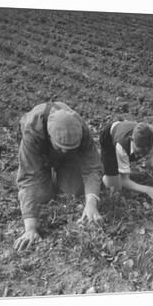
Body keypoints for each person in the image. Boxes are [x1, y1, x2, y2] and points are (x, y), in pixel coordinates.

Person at [14, 102, 103, 251]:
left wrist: (91, 204)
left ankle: (59, 171)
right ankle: (46, 172)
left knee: (75, 190)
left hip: (67, 156)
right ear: (49, 136)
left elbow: (92, 167)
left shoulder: (80, 129)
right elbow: (28, 177)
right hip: (39, 153)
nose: (64, 151)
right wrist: (30, 229)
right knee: (42, 196)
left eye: (69, 148)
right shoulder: (33, 130)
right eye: (60, 147)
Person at [100, 120, 153, 203]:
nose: (141, 156)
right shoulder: (121, 145)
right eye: (139, 152)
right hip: (108, 139)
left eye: (145, 153)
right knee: (116, 189)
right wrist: (148, 189)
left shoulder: (152, 141)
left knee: (126, 163)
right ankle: (103, 171)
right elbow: (124, 181)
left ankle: (120, 167)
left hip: (126, 137)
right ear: (132, 140)